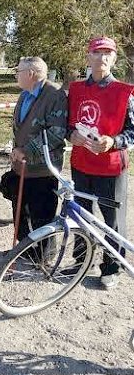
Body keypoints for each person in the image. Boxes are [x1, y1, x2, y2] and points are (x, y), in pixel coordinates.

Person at [68, 36, 134, 289]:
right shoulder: (76, 90)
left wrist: (113, 141)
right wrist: (70, 133)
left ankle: (111, 267)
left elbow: (132, 131)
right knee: (81, 216)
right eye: (97, 52)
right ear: (89, 57)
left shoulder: (124, 92)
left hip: (111, 167)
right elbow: (67, 124)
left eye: (108, 53)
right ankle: (80, 261)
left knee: (112, 220)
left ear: (114, 59)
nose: (102, 57)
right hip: (81, 163)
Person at [10, 56, 68, 242]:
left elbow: (56, 133)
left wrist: (26, 150)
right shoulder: (24, 94)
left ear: (30, 74)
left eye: (18, 72)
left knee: (41, 216)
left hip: (42, 168)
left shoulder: (54, 95)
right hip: (22, 167)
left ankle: (44, 257)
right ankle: (24, 251)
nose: (16, 76)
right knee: (21, 213)